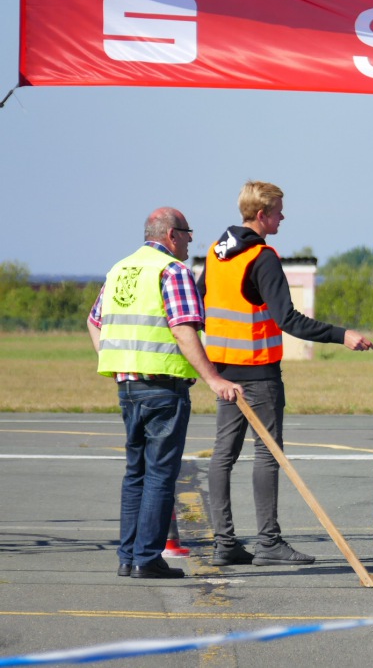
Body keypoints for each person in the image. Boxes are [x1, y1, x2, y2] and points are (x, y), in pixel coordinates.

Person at [198, 180, 373, 568]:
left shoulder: (215, 253)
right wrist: (342, 335)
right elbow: (288, 319)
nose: (283, 217)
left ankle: (224, 542)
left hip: (223, 371)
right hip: (258, 374)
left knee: (223, 455)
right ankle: (268, 543)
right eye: (278, 211)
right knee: (267, 453)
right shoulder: (262, 257)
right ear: (262, 215)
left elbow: (198, 303)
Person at [88, 208, 242, 580]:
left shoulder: (120, 270)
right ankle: (147, 558)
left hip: (128, 386)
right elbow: (183, 329)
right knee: (159, 474)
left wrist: (116, 361)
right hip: (162, 387)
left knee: (135, 473)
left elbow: (95, 322)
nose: (192, 240)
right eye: (188, 233)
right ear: (172, 235)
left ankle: (128, 557)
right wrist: (213, 379)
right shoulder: (172, 271)